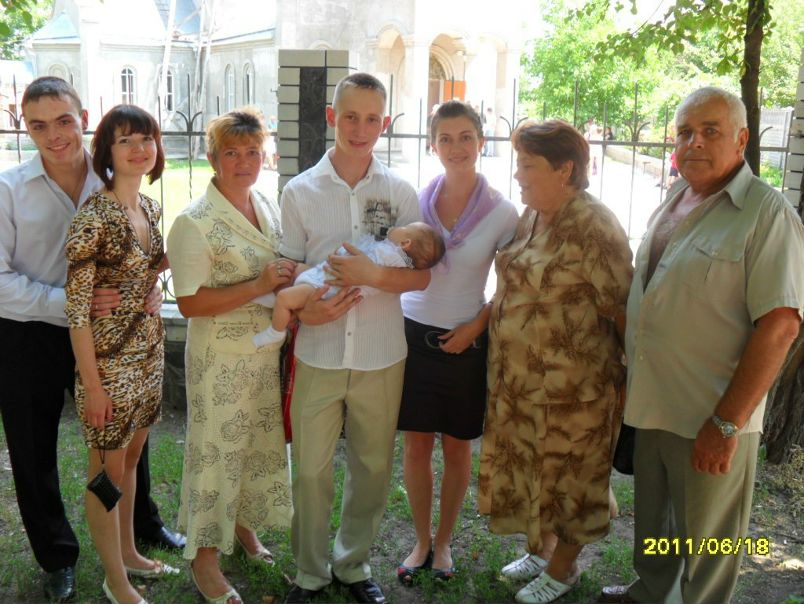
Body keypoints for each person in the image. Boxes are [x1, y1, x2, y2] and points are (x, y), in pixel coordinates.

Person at [600, 88, 804, 604]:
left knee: (710, 544)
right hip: (653, 405)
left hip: (711, 416)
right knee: (656, 526)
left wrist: (726, 423)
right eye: (684, 132)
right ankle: (652, 593)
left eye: (710, 131)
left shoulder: (765, 213)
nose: (694, 142)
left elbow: (780, 326)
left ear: (741, 139)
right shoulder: (675, 198)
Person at [0, 76, 181, 604]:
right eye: (38, 126)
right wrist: (73, 302)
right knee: (33, 450)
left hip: (112, 338)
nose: (54, 135)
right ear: (25, 128)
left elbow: (138, 262)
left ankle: (138, 533)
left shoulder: (116, 176)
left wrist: (145, 291)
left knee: (125, 444)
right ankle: (58, 557)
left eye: (63, 121)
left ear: (83, 120)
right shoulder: (9, 189)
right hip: (29, 332)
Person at [279, 72, 428, 604]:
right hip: (318, 351)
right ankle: (310, 572)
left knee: (372, 467)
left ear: (384, 123)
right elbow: (289, 268)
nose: (360, 129)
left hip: (379, 354)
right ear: (331, 118)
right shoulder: (299, 191)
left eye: (371, 119)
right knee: (310, 472)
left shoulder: (400, 192)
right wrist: (306, 310)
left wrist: (374, 274)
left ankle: (353, 564)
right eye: (350, 117)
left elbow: (420, 275)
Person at [478, 119, 633, 604]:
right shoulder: (534, 215)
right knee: (536, 470)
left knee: (572, 479)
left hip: (575, 391)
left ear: (564, 169)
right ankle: (542, 550)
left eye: (528, 165)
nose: (517, 174)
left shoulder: (594, 224)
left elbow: (622, 306)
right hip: (522, 384)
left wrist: (630, 377)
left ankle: (564, 569)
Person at [167, 107, 294, 604]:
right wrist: (259, 285)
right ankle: (204, 560)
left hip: (262, 353)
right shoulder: (194, 222)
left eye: (253, 152)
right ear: (213, 157)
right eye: (232, 152)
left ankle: (243, 528)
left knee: (256, 444)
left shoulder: (264, 203)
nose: (244, 162)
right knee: (216, 455)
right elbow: (190, 303)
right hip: (220, 360)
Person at [395, 100, 518, 586]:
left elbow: (511, 285)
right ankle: (420, 540)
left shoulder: (503, 212)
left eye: (466, 137)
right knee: (416, 446)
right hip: (411, 336)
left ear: (481, 142)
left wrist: (475, 328)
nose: (456, 147)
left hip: (466, 341)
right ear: (433, 145)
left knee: (457, 448)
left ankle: (444, 542)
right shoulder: (415, 203)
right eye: (445, 138)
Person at [65, 104, 177, 604]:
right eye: (125, 140)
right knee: (105, 473)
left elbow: (149, 266)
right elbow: (76, 312)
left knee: (131, 459)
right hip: (108, 366)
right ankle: (116, 580)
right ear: (107, 153)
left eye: (146, 138)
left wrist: (153, 285)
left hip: (148, 354)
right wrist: (92, 387)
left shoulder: (149, 208)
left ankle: (129, 552)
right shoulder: (93, 217)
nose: (139, 148)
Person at [253, 223, 445, 349]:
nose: (398, 227)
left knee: (285, 297)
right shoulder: (390, 251)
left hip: (327, 286)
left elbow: (365, 261)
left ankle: (276, 332)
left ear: (405, 243)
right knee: (295, 271)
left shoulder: (390, 256)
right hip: (324, 275)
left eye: (405, 227)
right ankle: (277, 302)